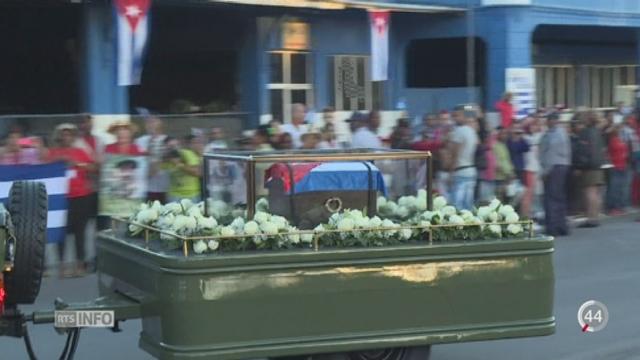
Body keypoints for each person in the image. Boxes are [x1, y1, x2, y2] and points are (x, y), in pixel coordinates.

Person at [47, 123, 96, 277]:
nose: (66, 137)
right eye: (63, 134)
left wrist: (78, 164)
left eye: (69, 134)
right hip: (60, 198)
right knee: (60, 232)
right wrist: (57, 162)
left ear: (73, 136)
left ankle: (79, 264)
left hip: (81, 196)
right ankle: (62, 266)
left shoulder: (80, 152)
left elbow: (94, 168)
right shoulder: (53, 153)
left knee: (80, 231)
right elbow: (45, 171)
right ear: (59, 136)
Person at [539, 113, 571, 236]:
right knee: (559, 198)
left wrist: (546, 171)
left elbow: (550, 153)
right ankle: (562, 226)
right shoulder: (563, 133)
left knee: (551, 198)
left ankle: (552, 227)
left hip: (553, 167)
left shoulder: (553, 135)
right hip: (563, 166)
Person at [574, 112, 606, 228]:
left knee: (589, 193)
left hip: (589, 166)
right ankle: (596, 217)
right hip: (598, 165)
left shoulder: (585, 133)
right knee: (597, 193)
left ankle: (590, 218)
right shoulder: (598, 132)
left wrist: (579, 166)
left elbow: (584, 151)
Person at [447, 109, 479, 210]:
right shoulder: (472, 131)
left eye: (457, 116)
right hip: (471, 170)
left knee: (457, 205)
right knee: (468, 205)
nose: (455, 118)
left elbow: (455, 154)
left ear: (464, 117)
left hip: (460, 170)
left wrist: (451, 172)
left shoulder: (459, 131)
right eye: (454, 116)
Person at [135, 114, 169, 203]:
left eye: (153, 122)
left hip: (165, 186)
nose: (150, 125)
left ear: (160, 124)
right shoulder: (139, 141)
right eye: (148, 122)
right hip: (145, 187)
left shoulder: (168, 140)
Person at [163, 135, 203, 203]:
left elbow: (197, 173)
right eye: (169, 147)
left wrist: (179, 164)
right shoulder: (166, 158)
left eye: (174, 146)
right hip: (174, 195)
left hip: (192, 193)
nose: (173, 149)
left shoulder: (187, 153)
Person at [522, 117, 543, 219]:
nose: (533, 127)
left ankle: (535, 212)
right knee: (529, 193)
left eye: (534, 125)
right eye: (531, 125)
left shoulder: (539, 136)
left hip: (537, 168)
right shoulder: (525, 138)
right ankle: (527, 216)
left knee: (537, 192)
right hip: (529, 168)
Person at [607, 124, 629, 215]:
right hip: (616, 167)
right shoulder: (613, 141)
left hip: (621, 166)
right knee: (615, 188)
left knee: (619, 188)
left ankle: (619, 206)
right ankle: (614, 207)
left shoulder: (619, 140)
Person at [494, 126, 515, 201]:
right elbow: (497, 163)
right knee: (498, 201)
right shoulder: (494, 146)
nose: (504, 135)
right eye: (502, 133)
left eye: (506, 133)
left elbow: (507, 161)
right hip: (498, 178)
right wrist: (508, 174)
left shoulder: (504, 145)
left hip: (506, 178)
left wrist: (511, 173)